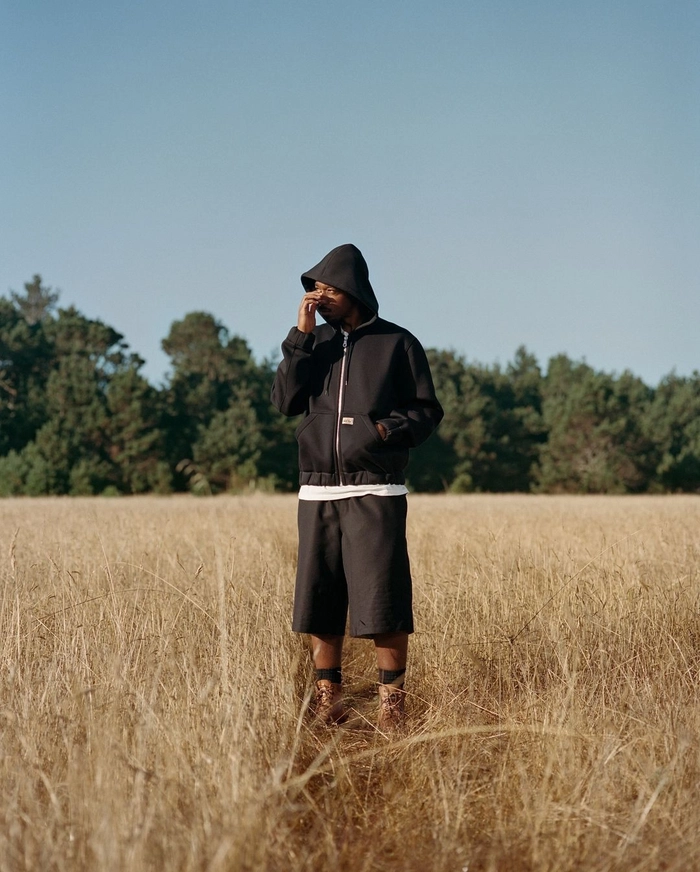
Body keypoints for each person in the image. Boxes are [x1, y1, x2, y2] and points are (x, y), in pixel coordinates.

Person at [271, 243, 443, 730]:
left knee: (382, 598)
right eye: (312, 289)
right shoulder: (314, 344)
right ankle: (329, 696)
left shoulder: (398, 343)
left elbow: (426, 411)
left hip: (376, 489)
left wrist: (383, 432)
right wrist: (299, 340)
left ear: (352, 289)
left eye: (326, 288)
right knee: (319, 599)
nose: (317, 296)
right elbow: (285, 401)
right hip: (317, 491)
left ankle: (393, 703)